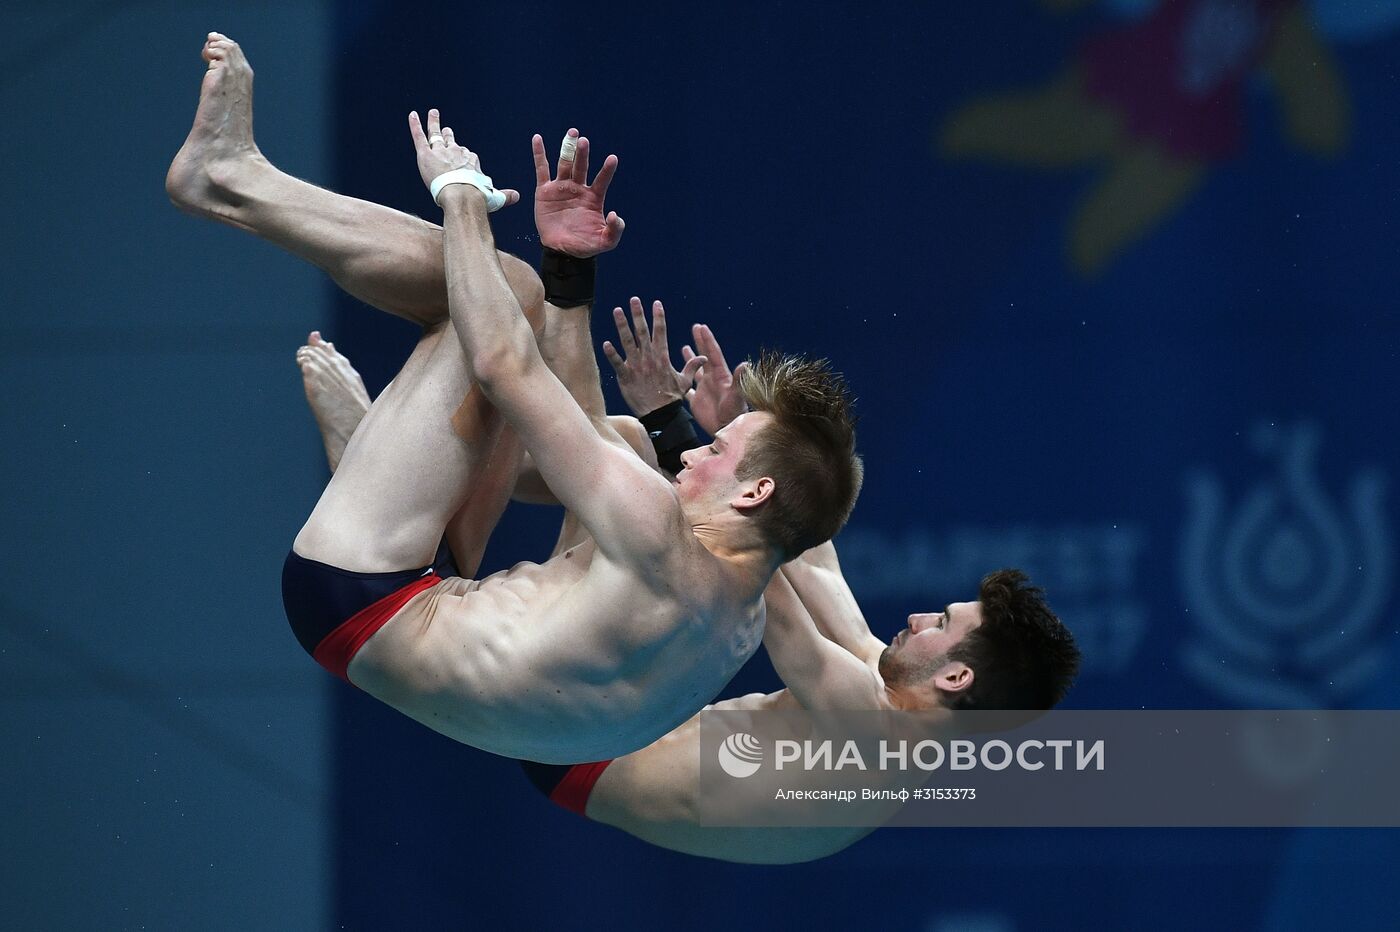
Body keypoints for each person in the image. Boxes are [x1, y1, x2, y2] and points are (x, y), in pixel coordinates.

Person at [168, 33, 863, 763]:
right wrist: (567, 270)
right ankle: (380, 447)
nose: (690, 456)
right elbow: (585, 434)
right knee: (612, 434)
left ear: (754, 491)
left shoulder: (658, 535)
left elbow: (502, 364)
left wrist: (459, 194)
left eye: (717, 449)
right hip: (442, 643)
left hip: (356, 588)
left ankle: (227, 177)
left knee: (508, 292)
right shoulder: (742, 620)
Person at [296, 313, 1080, 863]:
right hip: (608, 726)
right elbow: (817, 564)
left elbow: (760, 576)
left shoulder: (877, 741)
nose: (917, 614)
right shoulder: (891, 705)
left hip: (584, 745)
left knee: (623, 469)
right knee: (628, 461)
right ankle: (397, 474)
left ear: (957, 676)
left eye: (941, 620)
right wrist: (750, 453)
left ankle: (387, 465)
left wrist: (695, 442)